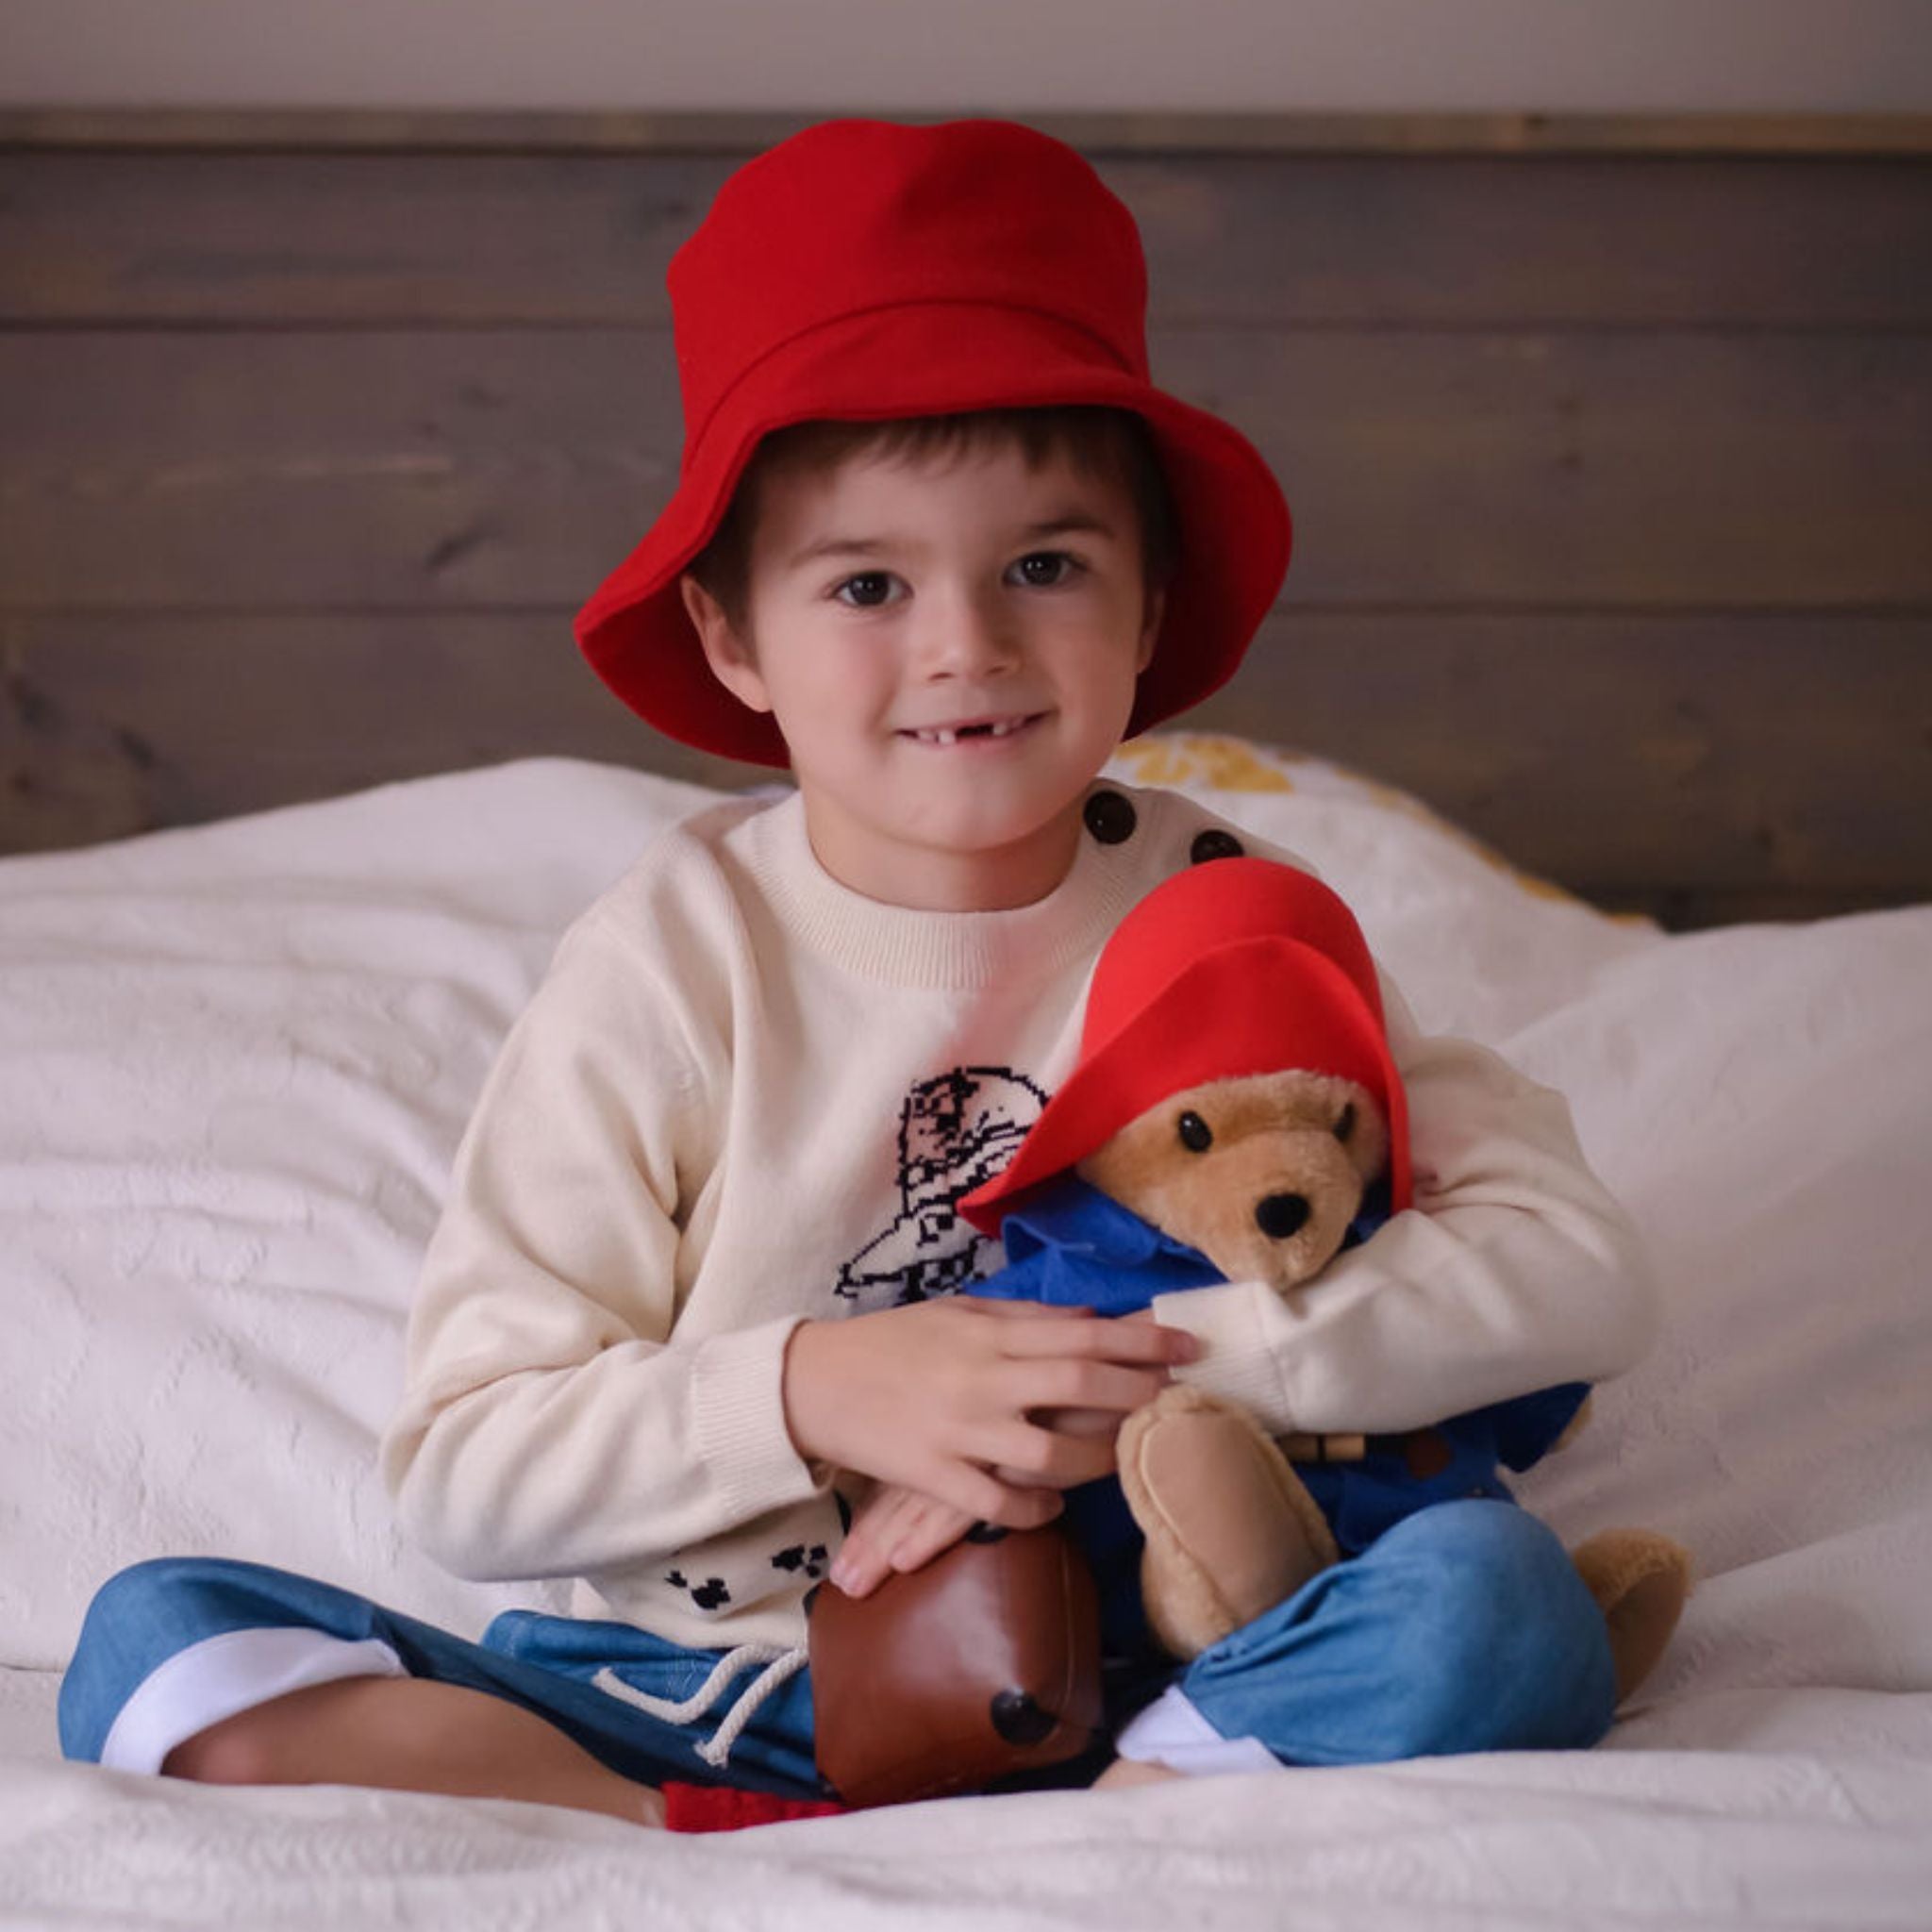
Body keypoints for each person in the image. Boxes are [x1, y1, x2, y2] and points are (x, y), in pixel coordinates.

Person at [58, 117, 1656, 1827]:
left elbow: (1578, 1274)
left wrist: (1122, 1376)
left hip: (1172, 1645)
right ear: (732, 635)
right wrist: (816, 1389)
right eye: (869, 583)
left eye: (1044, 565)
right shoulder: (677, 965)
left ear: (1148, 602)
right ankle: (702, 1821)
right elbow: (465, 1469)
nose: (965, 643)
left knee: (1498, 1606)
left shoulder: (1229, 910)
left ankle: (1136, 1794)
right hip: (735, 1684)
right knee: (157, 1648)